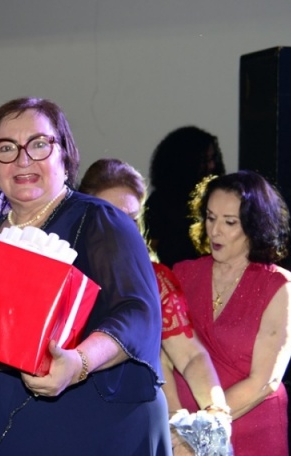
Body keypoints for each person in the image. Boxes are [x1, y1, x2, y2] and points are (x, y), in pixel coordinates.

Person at [0, 97, 170, 455]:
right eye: (6, 148)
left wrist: (79, 363)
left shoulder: (100, 221)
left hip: (92, 427)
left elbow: (137, 314)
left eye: (39, 144)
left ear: (65, 155)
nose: (22, 160)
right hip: (1, 426)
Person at [79, 158, 230, 454]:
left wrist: (217, 411)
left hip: (138, 426)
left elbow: (190, 355)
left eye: (132, 219)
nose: (123, 230)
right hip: (76, 424)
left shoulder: (154, 279)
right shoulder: (66, 275)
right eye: (112, 217)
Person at [171, 170, 291, 455]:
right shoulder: (182, 274)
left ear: (254, 227)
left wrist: (200, 431)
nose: (215, 231)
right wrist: (176, 425)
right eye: (210, 217)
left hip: (252, 433)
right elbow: (162, 358)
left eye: (229, 222)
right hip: (182, 435)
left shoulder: (278, 285)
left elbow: (265, 381)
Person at [144, 126, 226, 268]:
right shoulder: (160, 202)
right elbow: (149, 250)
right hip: (173, 277)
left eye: (213, 159)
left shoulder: (220, 196)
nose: (212, 166)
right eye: (204, 161)